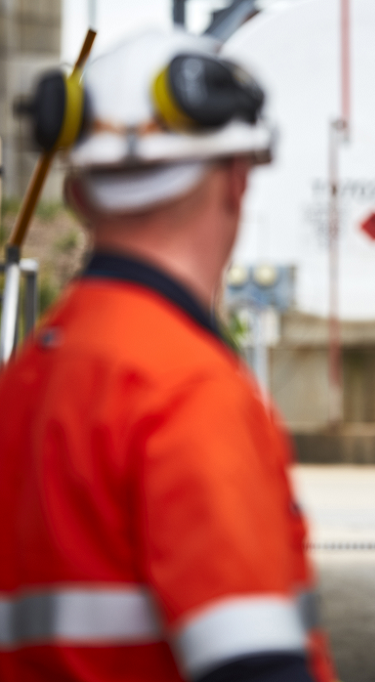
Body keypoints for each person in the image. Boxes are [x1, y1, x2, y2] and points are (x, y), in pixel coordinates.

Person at [0, 31, 334, 682]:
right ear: (237, 181)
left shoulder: (31, 376)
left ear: (79, 193)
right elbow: (253, 664)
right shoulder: (185, 387)